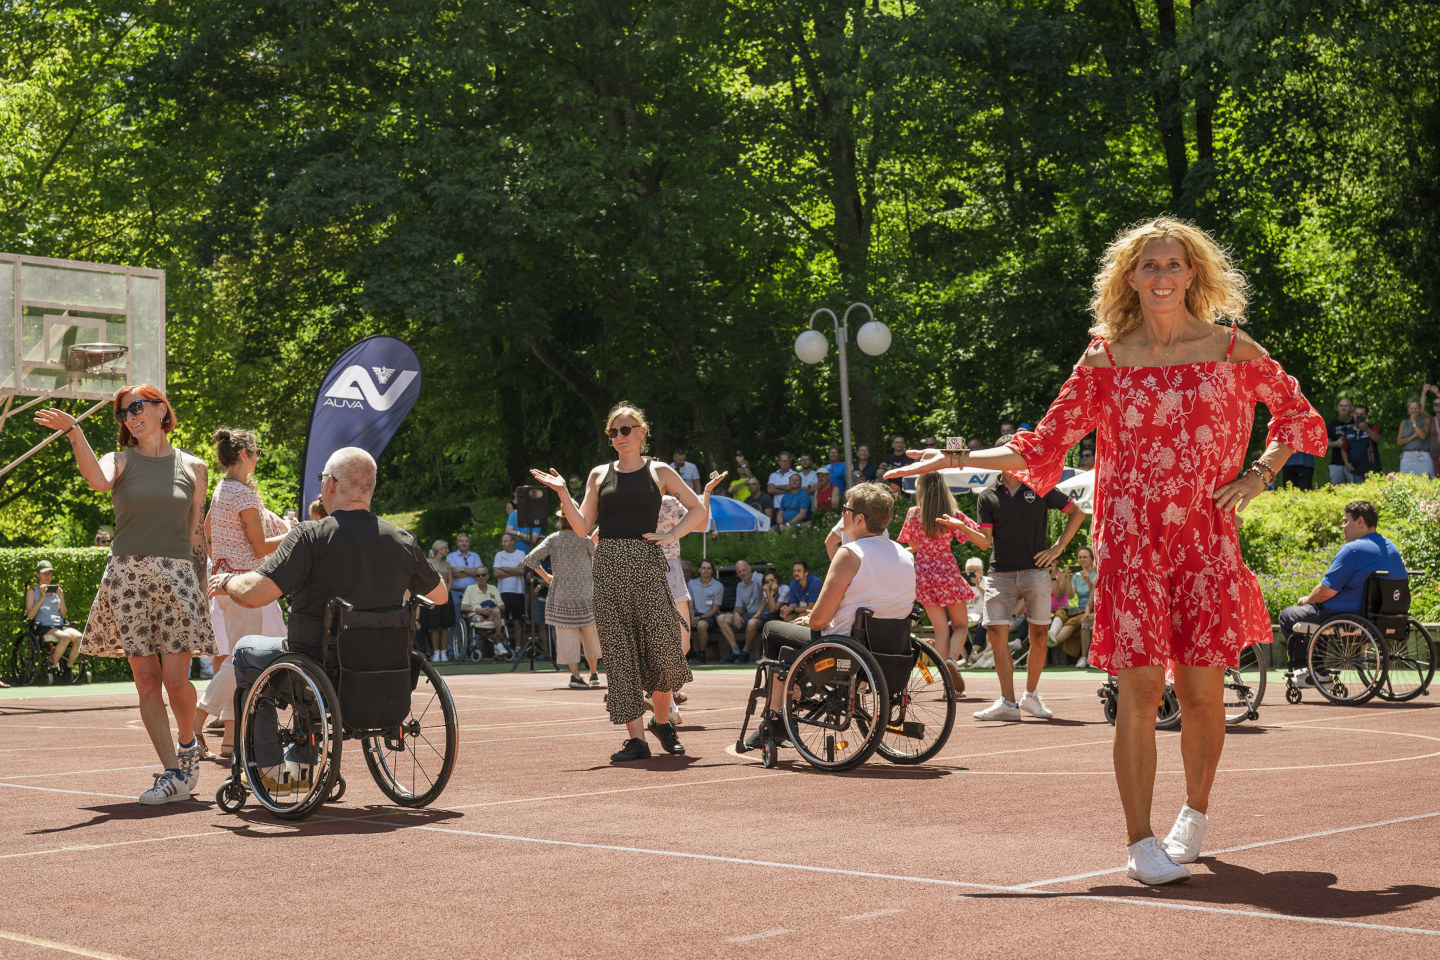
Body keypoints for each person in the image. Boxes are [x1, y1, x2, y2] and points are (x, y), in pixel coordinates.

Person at [886, 217, 1327, 885]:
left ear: (1194, 273)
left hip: (1206, 540)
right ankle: (1138, 841)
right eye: (1148, 265)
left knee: (1205, 694)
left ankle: (1194, 816)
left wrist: (1260, 474)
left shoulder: (1232, 348)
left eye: (1173, 264)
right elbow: (1039, 448)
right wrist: (953, 460)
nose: (1161, 276)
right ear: (1129, 277)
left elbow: (1294, 415)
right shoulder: (1105, 358)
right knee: (1141, 688)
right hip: (1130, 541)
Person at [212, 448, 448, 793]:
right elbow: (439, 596)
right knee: (312, 656)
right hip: (385, 666)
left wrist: (227, 581)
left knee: (246, 650)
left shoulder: (310, 536)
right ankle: (305, 760)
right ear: (370, 488)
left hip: (316, 664)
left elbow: (256, 594)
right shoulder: (401, 540)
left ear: (332, 484)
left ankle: (272, 769)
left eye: (323, 480)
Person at [35, 384, 215, 804]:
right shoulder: (119, 460)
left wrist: (201, 588)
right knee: (147, 681)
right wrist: (75, 432)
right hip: (127, 577)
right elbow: (96, 481)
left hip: (178, 577)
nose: (129, 416)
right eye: (122, 413)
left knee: (176, 681)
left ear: (160, 408)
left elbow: (195, 532)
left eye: (136, 407)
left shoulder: (194, 466)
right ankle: (172, 772)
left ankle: (188, 744)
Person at [530, 401, 706, 761]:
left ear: (642, 432)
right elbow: (581, 527)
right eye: (613, 431)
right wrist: (563, 491)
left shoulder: (661, 471)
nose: (619, 436)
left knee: (664, 649)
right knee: (620, 654)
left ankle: (661, 721)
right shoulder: (598, 474)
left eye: (626, 429)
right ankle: (637, 740)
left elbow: (699, 510)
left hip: (647, 564)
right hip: (608, 565)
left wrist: (672, 535)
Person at [745, 482, 916, 747]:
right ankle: (794, 694)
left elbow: (819, 621)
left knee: (773, 631)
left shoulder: (850, 554)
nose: (841, 515)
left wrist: (813, 618)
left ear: (859, 519)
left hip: (846, 651)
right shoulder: (905, 555)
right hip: (892, 650)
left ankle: (779, 713)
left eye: (845, 510)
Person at [935, 439, 1086, 722]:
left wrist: (1059, 546)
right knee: (995, 634)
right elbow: (984, 543)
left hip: (1035, 572)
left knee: (1039, 636)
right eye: (1015, 454)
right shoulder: (988, 495)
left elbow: (1076, 513)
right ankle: (1007, 701)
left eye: (1020, 455)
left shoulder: (1039, 486)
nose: (1019, 459)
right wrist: (961, 527)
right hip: (1000, 573)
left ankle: (1030, 696)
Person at [194, 427, 290, 760]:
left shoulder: (223, 488)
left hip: (229, 584)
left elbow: (206, 531)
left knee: (245, 659)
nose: (259, 457)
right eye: (258, 452)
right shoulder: (243, 494)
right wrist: (296, 533)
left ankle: (232, 741)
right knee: (243, 661)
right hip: (246, 586)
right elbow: (262, 545)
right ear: (245, 454)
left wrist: (218, 560)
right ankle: (195, 722)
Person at [1278, 500, 1407, 685]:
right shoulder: (1391, 547)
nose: (1342, 526)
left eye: (1346, 521)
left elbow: (1326, 590)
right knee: (1316, 613)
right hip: (1385, 616)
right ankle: (1317, 669)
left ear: (1360, 521)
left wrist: (1307, 600)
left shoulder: (1353, 549)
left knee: (1289, 615)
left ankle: (1310, 670)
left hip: (1347, 616)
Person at [897, 472, 979, 691]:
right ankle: (952, 660)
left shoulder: (913, 514)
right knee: (960, 625)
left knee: (940, 631)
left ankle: (947, 686)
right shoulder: (952, 515)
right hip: (947, 572)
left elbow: (913, 543)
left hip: (923, 575)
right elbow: (976, 534)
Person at [524, 513, 602, 688]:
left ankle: (575, 676)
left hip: (562, 594)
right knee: (591, 635)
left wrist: (547, 577)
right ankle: (594, 673)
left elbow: (530, 559)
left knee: (567, 637)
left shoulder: (553, 539)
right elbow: (599, 554)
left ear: (560, 519)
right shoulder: (584, 539)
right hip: (585, 593)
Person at [24, 561, 84, 683]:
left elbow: (63, 614)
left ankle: (67, 669)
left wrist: (61, 597)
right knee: (65, 638)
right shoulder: (32, 591)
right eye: (44, 573)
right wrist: (41, 597)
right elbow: (30, 616)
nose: (48, 576)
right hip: (44, 627)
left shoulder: (56, 591)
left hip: (60, 626)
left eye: (50, 573)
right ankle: (51, 668)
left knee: (80, 638)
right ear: (37, 575)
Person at [1054, 545, 1098, 667]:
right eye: (1079, 557)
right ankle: (1052, 634)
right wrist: (1068, 579)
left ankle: (1054, 641)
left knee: (1075, 621)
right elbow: (1070, 596)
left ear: (1091, 559)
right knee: (1061, 612)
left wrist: (1088, 580)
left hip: (1092, 608)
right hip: (1081, 608)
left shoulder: (1096, 575)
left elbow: (1093, 596)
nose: (1082, 560)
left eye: (1085, 557)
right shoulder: (1077, 576)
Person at [718, 559, 765, 662]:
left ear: (749, 568)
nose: (742, 573)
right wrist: (736, 614)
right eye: (739, 572)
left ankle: (745, 651)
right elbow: (738, 606)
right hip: (748, 615)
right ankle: (735, 651)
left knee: (752, 623)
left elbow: (765, 598)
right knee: (721, 618)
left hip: (762, 615)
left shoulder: (759, 578)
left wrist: (758, 614)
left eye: (743, 570)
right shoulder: (740, 585)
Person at [460, 567, 508, 657]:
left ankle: (498, 643)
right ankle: (489, 645)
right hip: (477, 615)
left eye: (483, 575)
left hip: (491, 615)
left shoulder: (493, 588)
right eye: (478, 575)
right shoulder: (470, 589)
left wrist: (491, 609)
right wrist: (478, 610)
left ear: (487, 576)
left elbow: (502, 605)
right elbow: (463, 607)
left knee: (497, 610)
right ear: (475, 577)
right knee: (478, 618)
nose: (481, 577)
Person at [422, 540, 456, 661]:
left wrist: (446, 593)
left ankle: (443, 652)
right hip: (433, 597)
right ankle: (436, 652)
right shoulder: (429, 563)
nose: (447, 550)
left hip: (446, 597)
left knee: (445, 626)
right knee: (434, 626)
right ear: (439, 549)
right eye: (445, 548)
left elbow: (450, 581)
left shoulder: (447, 564)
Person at [687, 559, 724, 664]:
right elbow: (690, 604)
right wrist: (692, 617)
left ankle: (701, 654)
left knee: (701, 625)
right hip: (694, 614)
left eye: (708, 568)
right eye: (703, 568)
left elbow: (715, 609)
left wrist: (700, 618)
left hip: (710, 615)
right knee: (681, 623)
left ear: (712, 571)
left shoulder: (718, 586)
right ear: (699, 570)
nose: (706, 570)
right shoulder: (691, 584)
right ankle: (686, 653)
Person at [493, 532, 529, 626]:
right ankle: (501, 640)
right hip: (502, 592)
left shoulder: (521, 553)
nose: (503, 543)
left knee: (518, 622)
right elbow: (496, 573)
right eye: (502, 541)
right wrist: (515, 570)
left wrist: (504, 568)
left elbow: (521, 571)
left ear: (512, 542)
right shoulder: (499, 555)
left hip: (518, 592)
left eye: (505, 541)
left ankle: (518, 641)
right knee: (501, 621)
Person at [446, 533, 484, 613]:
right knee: (457, 617)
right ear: (457, 543)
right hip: (456, 592)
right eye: (461, 541)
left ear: (469, 543)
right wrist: (473, 572)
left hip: (474, 592)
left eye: (466, 541)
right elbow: (454, 573)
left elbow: (480, 572)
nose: (464, 543)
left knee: (474, 615)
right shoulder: (451, 556)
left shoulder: (475, 556)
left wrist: (462, 569)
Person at [1397, 397, 1433, 477]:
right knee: (1406, 485)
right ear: (1408, 410)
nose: (1413, 411)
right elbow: (1399, 442)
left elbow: (1423, 436)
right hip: (1406, 457)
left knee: (1427, 483)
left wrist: (1414, 423)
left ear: (1420, 409)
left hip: (1422, 456)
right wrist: (1413, 436)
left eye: (1416, 408)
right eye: (1411, 408)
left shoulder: (1426, 420)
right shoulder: (1404, 423)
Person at [1326, 397, 1355, 485]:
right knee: (1336, 489)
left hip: (1354, 463)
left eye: (1346, 406)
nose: (1343, 408)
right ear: (1337, 408)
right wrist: (1336, 443)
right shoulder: (1332, 424)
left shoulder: (1356, 423)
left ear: (1351, 408)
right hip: (1336, 463)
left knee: (1356, 489)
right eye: (1341, 406)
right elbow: (1325, 444)